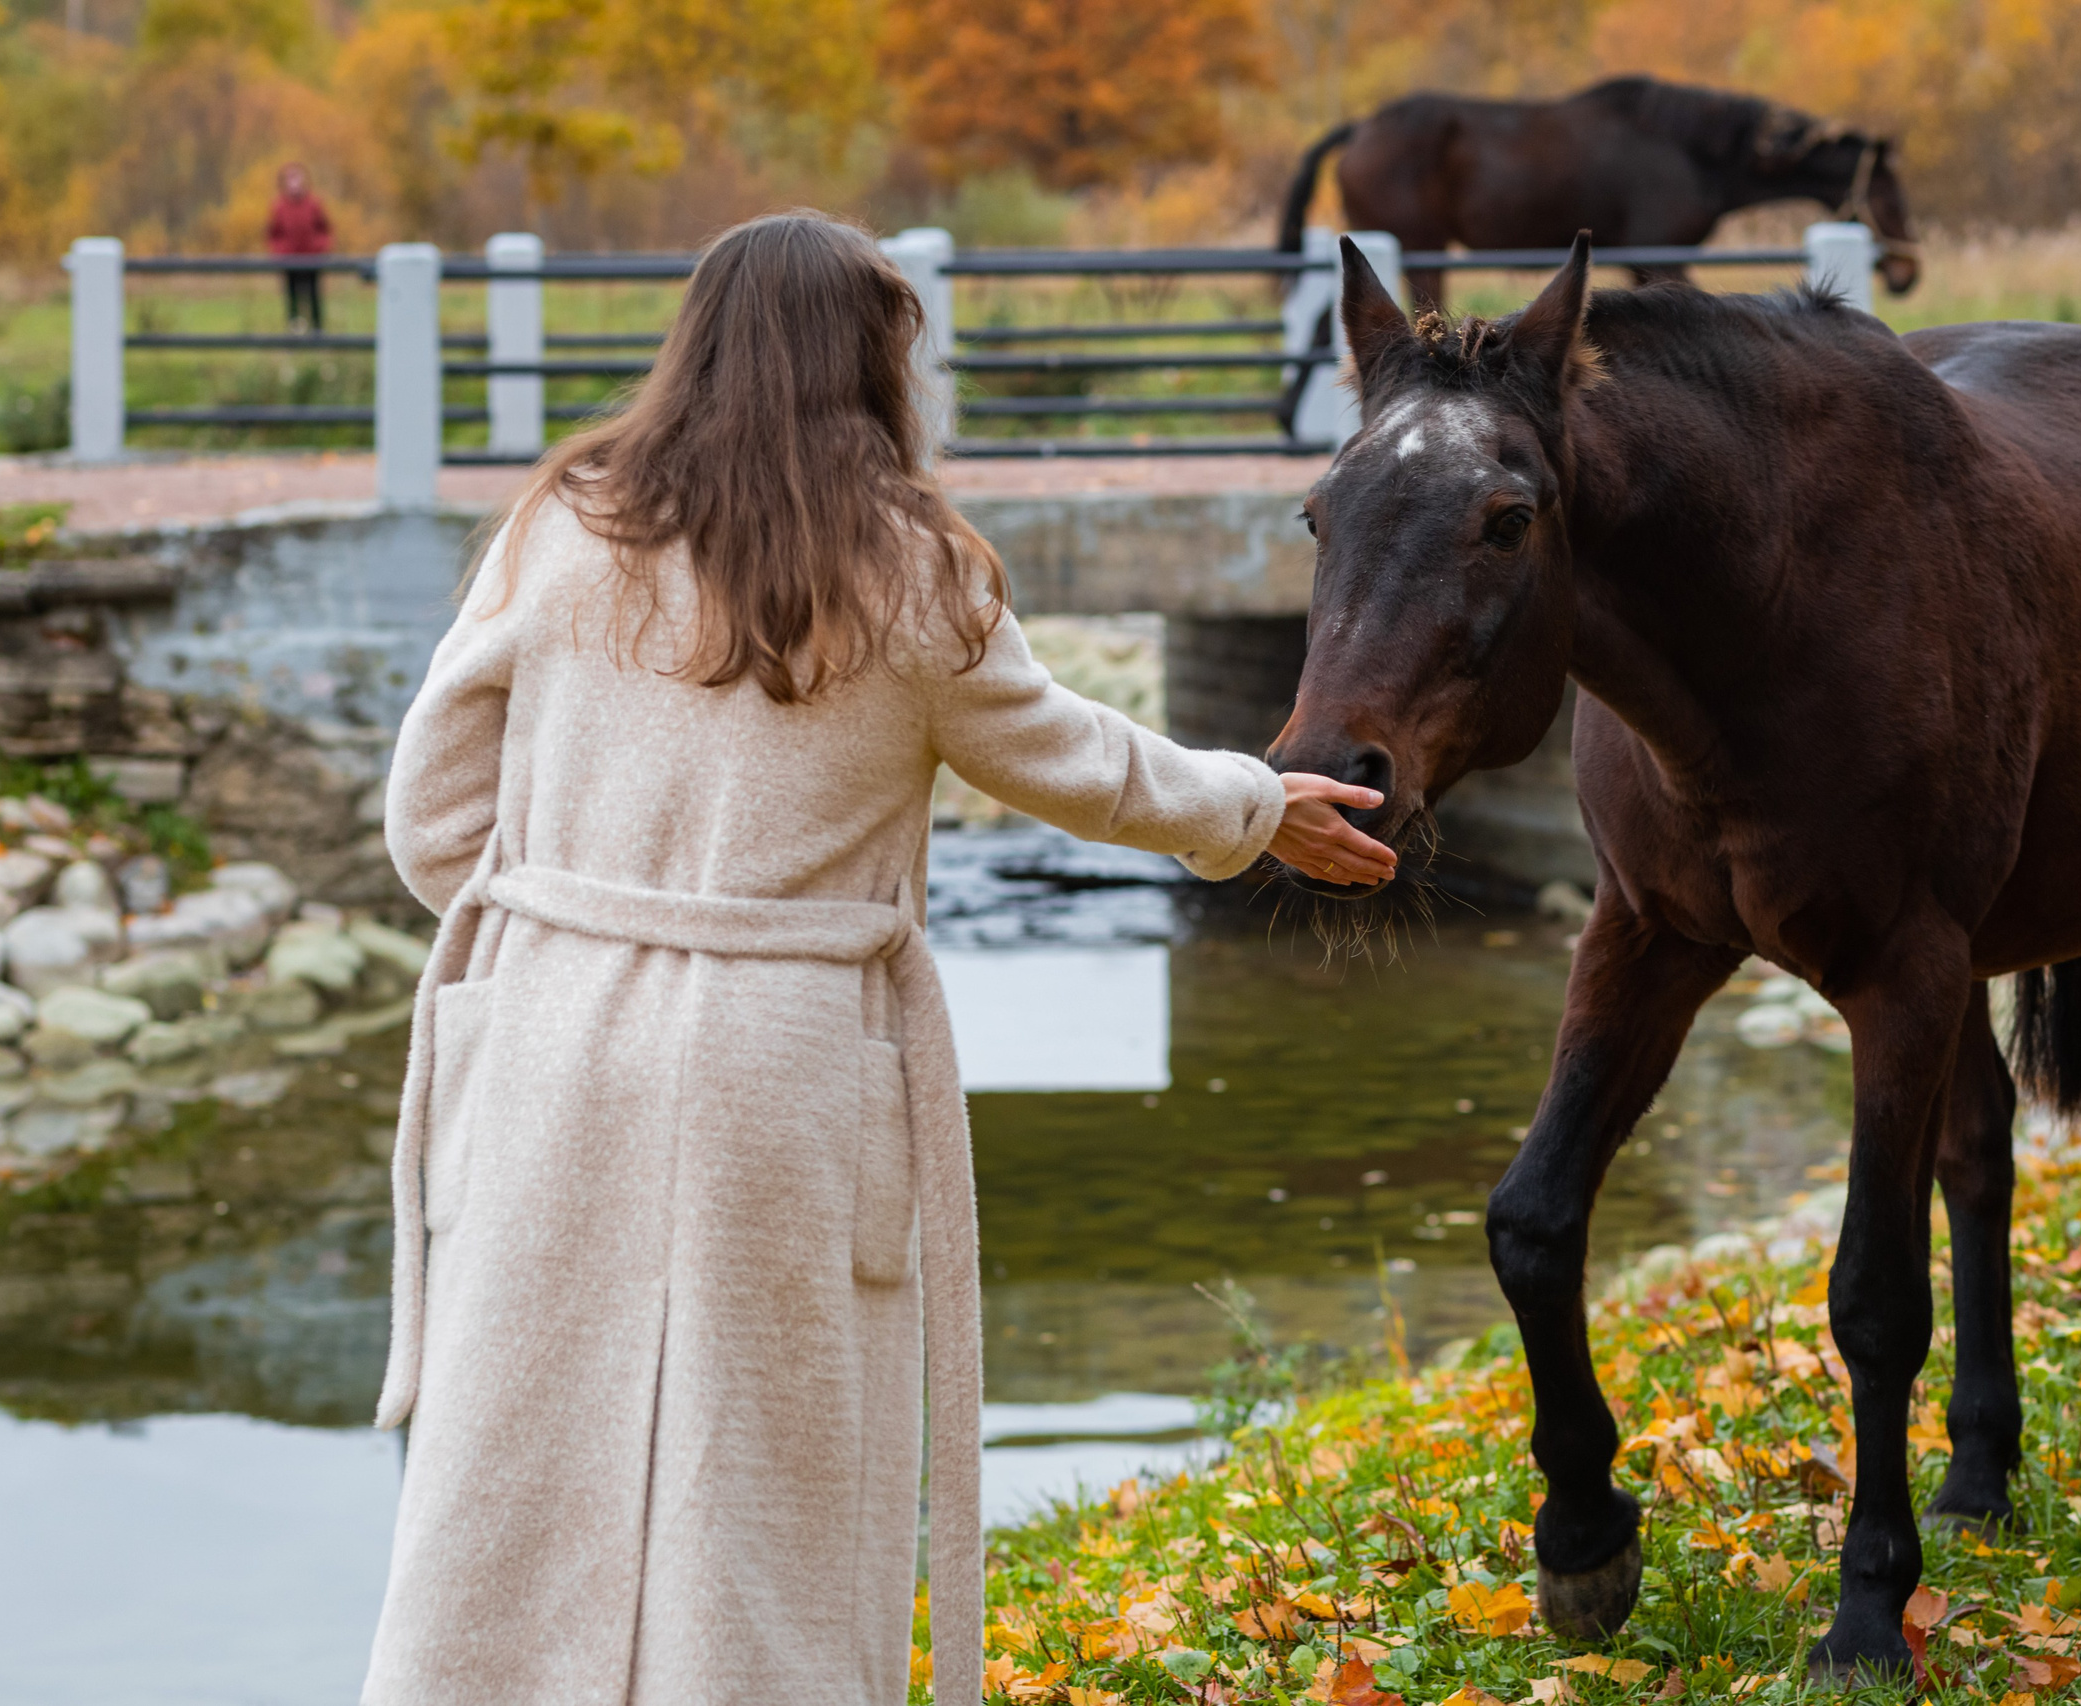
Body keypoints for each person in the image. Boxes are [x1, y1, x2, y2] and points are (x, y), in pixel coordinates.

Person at [359, 209, 1396, 1706]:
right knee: (766, 1461)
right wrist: (1250, 804)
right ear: (875, 360)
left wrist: (559, 925)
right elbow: (1081, 764)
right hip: (781, 1056)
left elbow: (430, 811)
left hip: (554, 1030)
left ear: (695, 342)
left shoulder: (563, 525)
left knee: (517, 1439)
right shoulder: (913, 570)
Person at [266, 163, 332, 332]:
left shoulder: (314, 204)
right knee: (292, 297)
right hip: (289, 261)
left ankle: (317, 332)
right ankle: (294, 332)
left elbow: (325, 229)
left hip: (312, 260)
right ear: (285, 182)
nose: (294, 182)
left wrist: (319, 247)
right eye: (290, 178)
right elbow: (273, 233)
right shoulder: (278, 206)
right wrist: (280, 252)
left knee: (314, 296)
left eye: (297, 177)